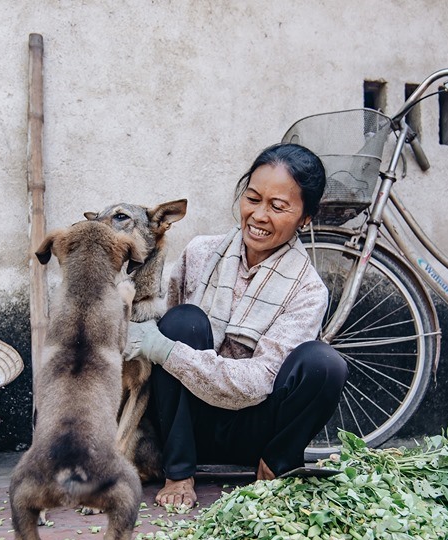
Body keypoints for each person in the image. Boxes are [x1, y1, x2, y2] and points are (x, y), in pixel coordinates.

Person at [124, 142, 349, 508]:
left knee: (325, 364)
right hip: (187, 424)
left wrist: (167, 351)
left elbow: (260, 380)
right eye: (253, 198)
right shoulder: (200, 253)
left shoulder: (307, 289)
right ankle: (179, 472)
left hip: (253, 427)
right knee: (184, 320)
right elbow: (171, 333)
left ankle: (275, 465)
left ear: (305, 218)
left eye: (278, 207)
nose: (259, 215)